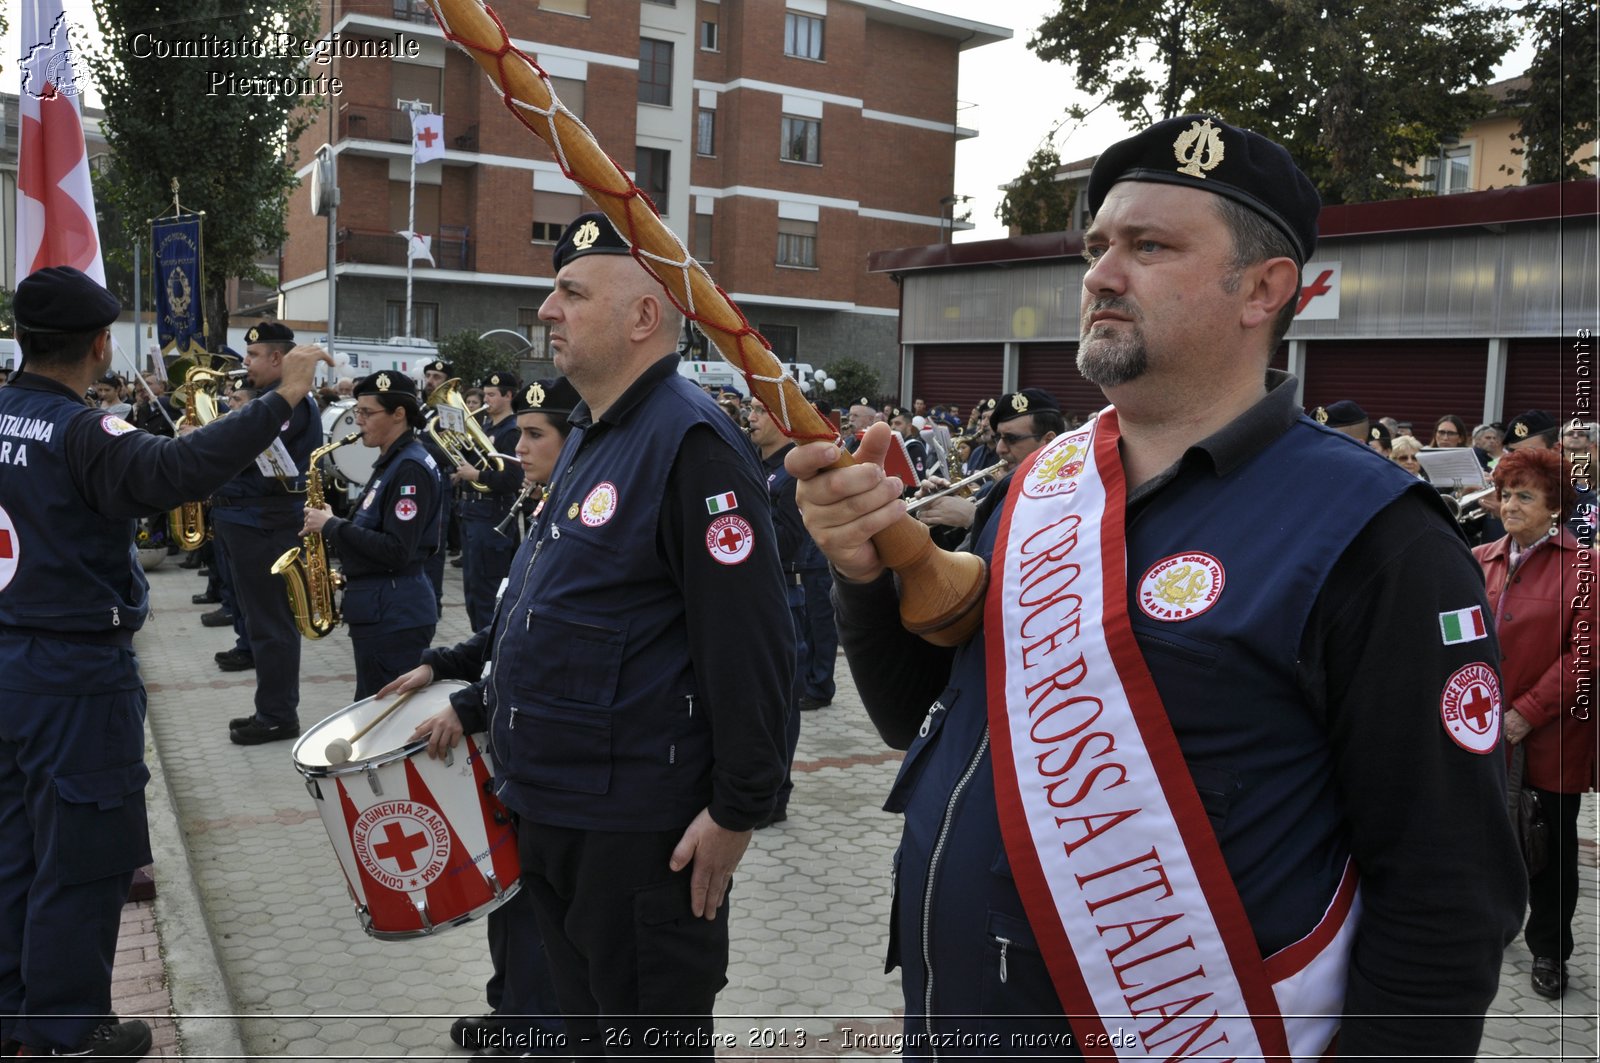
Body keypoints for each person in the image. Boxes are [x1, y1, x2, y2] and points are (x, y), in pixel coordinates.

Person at [787, 115, 1524, 1057]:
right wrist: (862, 576)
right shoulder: (1036, 486)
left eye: (1148, 246)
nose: (1099, 273)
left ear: (1265, 288)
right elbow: (914, 720)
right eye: (1097, 245)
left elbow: (1447, 899)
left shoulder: (1375, 537)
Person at [458, 213, 788, 1055]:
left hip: (640, 833)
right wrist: (471, 699)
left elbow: (749, 646)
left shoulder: (691, 443)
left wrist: (738, 810)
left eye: (571, 292)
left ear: (644, 317)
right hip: (557, 808)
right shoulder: (598, 433)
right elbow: (551, 608)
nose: (545, 309)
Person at [0, 266, 330, 1058]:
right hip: (73, 675)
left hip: (11, 659)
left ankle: (15, 1012)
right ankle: (67, 1029)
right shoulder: (83, 431)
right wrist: (280, 397)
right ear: (101, 343)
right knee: (83, 855)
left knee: (13, 849)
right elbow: (172, 474)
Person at [388, 378, 582, 1057]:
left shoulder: (581, 526)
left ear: (575, 441)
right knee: (508, 891)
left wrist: (467, 702)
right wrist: (439, 665)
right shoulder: (544, 510)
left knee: (538, 902)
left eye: (535, 436)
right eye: (520, 432)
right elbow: (506, 632)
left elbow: (553, 651)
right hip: (515, 744)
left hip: (556, 749)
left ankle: (543, 1029)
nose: (517, 448)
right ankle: (513, 1010)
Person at [1472, 447, 1595, 1000]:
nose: (1510, 504)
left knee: (1549, 850)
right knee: (1486, 836)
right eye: (1504, 493)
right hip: (1478, 728)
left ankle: (1549, 949)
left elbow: (1586, 657)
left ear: (1556, 505)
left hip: (1551, 737)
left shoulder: (1587, 569)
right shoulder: (1479, 558)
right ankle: (1491, 924)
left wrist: (1525, 713)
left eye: (1525, 495)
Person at [212, 323, 324, 746]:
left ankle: (277, 715)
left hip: (265, 526)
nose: (246, 362)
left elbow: (244, 452)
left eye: (255, 354)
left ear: (278, 359)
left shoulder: (289, 405)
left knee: (271, 625)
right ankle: (271, 708)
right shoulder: (267, 402)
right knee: (259, 623)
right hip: (247, 524)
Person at [301, 371, 443, 700]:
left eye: (366, 413)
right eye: (357, 413)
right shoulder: (394, 461)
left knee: (382, 716)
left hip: (393, 612)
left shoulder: (409, 468)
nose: (358, 422)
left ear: (398, 414)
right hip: (382, 608)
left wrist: (332, 526)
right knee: (372, 706)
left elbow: (397, 550)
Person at [746, 394, 811, 824]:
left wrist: (742, 519)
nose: (749, 418)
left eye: (757, 411)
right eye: (749, 410)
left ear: (782, 422)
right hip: (752, 594)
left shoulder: (794, 474)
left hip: (784, 592)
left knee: (781, 702)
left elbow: (789, 540)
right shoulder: (755, 464)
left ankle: (775, 796)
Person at [456, 370, 525, 631]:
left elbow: (511, 479)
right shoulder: (486, 427)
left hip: (492, 515)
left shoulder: (511, 431)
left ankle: (488, 653)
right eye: (484, 394)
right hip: (471, 512)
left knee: (487, 588)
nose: (486, 401)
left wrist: (477, 474)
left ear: (509, 396)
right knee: (472, 589)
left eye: (492, 395)